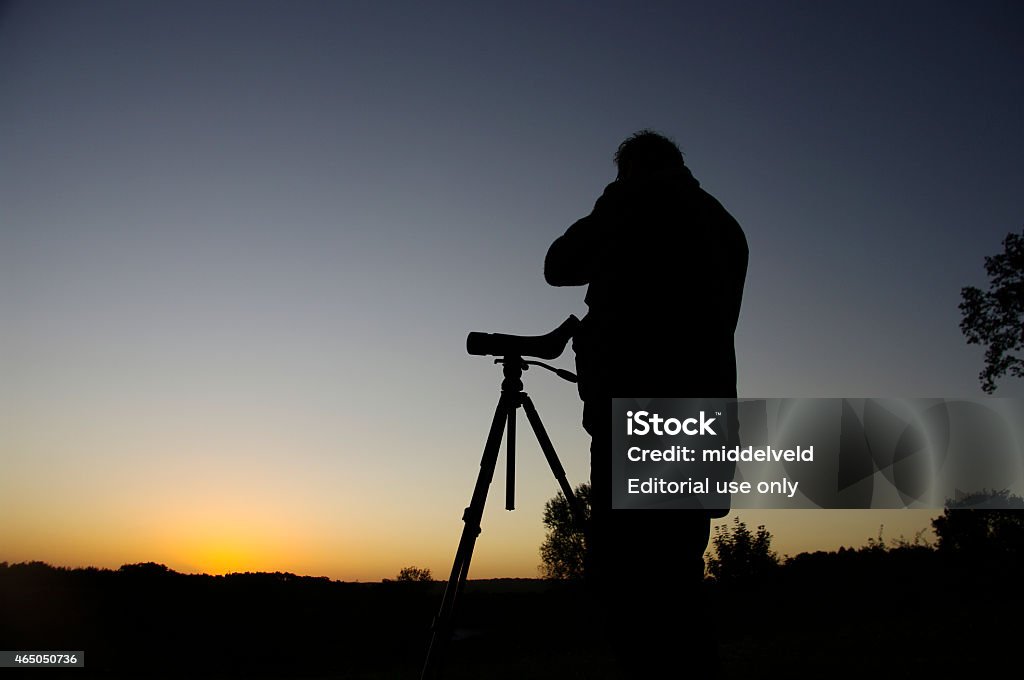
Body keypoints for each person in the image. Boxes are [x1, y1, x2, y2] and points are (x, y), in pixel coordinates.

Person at [545, 130, 747, 676]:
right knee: (679, 570)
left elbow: (559, 264)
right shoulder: (723, 223)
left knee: (629, 577)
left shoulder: (631, 204)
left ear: (629, 169)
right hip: (704, 408)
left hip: (640, 409)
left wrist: (612, 200)